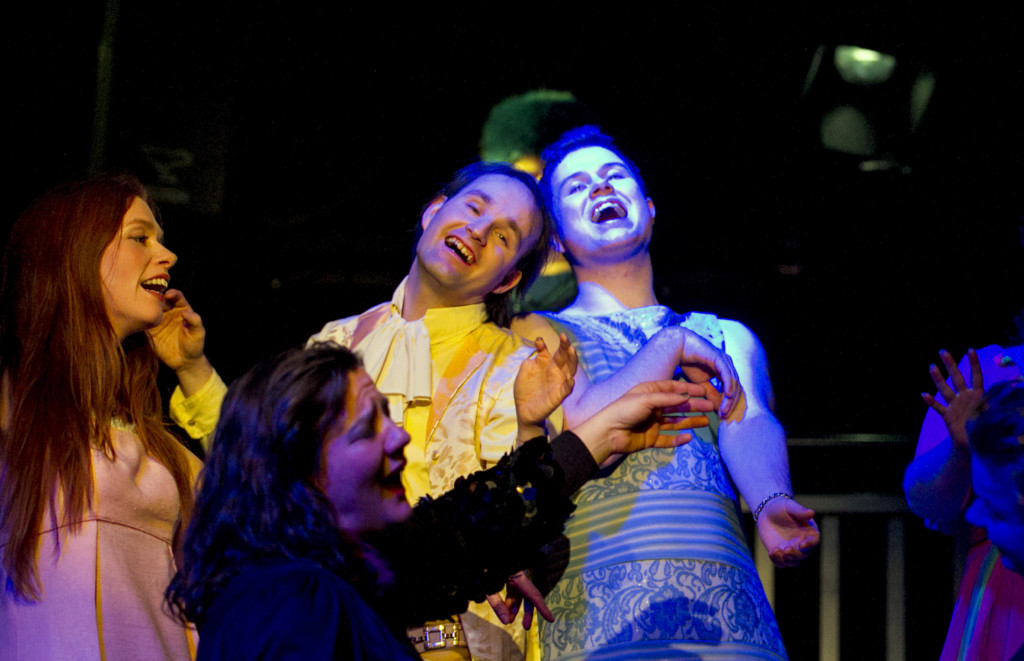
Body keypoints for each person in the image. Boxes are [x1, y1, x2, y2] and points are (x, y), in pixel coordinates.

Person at [166, 342, 717, 660]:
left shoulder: (337, 579)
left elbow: (465, 528)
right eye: (366, 429)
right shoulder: (288, 604)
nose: (399, 437)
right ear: (300, 469)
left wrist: (602, 437)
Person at [513, 126, 819, 659]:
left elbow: (748, 418)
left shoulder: (726, 333)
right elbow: (585, 429)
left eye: (614, 177)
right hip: (601, 619)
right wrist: (669, 345)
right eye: (577, 187)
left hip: (725, 611)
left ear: (650, 208)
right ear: (557, 238)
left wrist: (770, 499)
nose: (601, 190)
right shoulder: (539, 330)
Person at [0, 175, 208, 660]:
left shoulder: (148, 441)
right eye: (141, 238)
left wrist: (194, 371)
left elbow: (255, 502)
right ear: (76, 255)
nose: (167, 255)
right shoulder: (17, 408)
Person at [906, 348, 1024, 660]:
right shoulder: (997, 366)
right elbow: (926, 503)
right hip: (1005, 583)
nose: (977, 513)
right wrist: (959, 448)